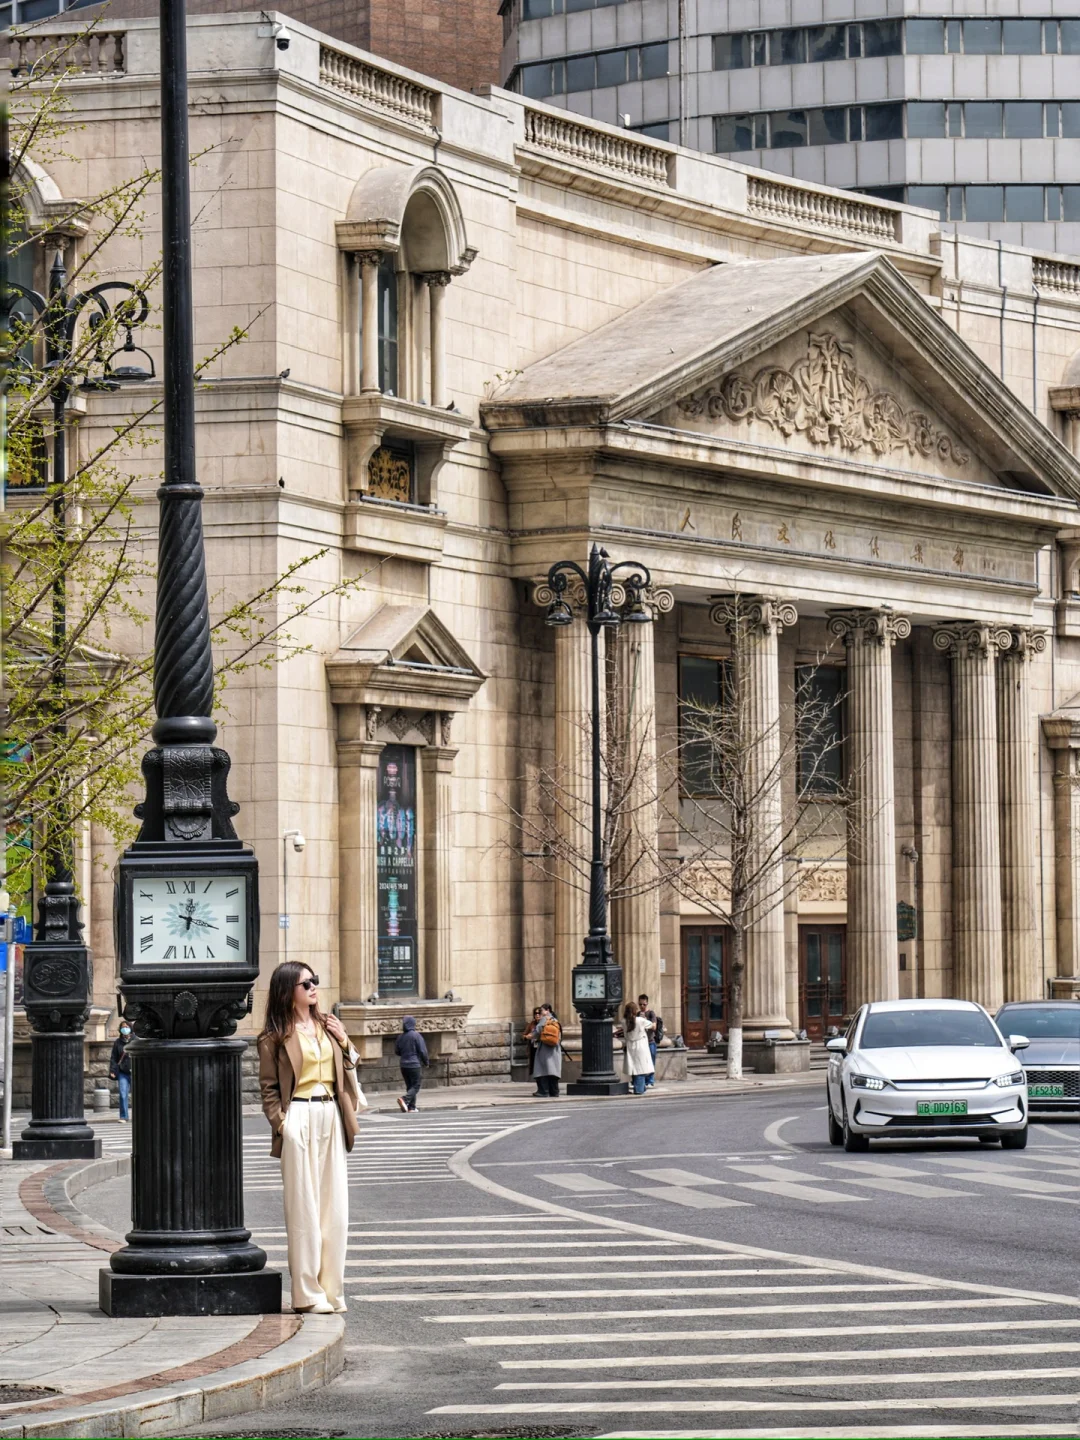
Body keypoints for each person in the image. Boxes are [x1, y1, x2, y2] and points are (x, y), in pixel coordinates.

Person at [258, 962, 360, 1315]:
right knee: (303, 1209)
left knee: (335, 1210)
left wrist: (344, 1039)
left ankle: (333, 1292)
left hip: (330, 1113)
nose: (315, 987)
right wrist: (283, 1124)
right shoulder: (274, 1036)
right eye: (307, 983)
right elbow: (268, 1088)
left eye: (315, 981)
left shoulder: (328, 1025)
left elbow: (350, 1066)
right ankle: (307, 1295)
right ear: (289, 991)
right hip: (298, 1116)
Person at [395, 1015, 429, 1112]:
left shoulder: (400, 1037)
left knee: (410, 1086)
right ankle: (404, 1099)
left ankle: (411, 1107)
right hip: (414, 1064)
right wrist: (426, 1062)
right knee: (416, 1085)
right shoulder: (416, 1036)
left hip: (403, 1065)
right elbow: (423, 1051)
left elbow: (397, 1051)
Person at [623, 1001, 655, 1095]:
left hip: (630, 1045)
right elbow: (653, 1025)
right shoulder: (640, 1020)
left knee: (634, 1068)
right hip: (640, 1046)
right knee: (641, 1068)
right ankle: (639, 1089)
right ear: (634, 1011)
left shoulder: (623, 1021)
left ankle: (639, 1087)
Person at [533, 1003, 562, 1097]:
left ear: (547, 1010)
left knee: (541, 1069)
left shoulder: (544, 1019)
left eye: (541, 1011)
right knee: (553, 1070)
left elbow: (537, 1032)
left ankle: (543, 1091)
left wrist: (529, 1037)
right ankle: (554, 1091)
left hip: (544, 1048)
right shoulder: (555, 1020)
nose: (540, 1013)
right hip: (555, 1049)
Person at [638, 994, 664, 1087]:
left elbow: (654, 1027)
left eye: (644, 1004)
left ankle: (650, 1081)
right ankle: (644, 1081)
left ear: (647, 1003)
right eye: (640, 1004)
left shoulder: (651, 1013)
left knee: (651, 1061)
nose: (642, 1006)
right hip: (641, 1042)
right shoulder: (638, 1014)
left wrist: (644, 1020)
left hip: (650, 1041)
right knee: (643, 1062)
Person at [109, 1020, 132, 1121]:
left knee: (139, 1096)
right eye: (123, 1027)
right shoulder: (118, 1042)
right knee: (123, 1094)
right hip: (123, 1072)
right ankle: (123, 1116)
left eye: (127, 1027)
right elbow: (114, 1058)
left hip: (135, 1071)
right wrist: (112, 1070)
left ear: (131, 1028)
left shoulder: (136, 1040)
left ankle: (140, 1115)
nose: (125, 1029)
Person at [523, 1007, 543, 1095]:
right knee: (535, 1069)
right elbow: (524, 1034)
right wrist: (526, 1037)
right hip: (533, 1048)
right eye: (536, 1014)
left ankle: (543, 1088)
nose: (537, 1015)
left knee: (542, 1069)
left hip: (542, 1048)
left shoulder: (544, 1024)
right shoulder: (532, 1024)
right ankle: (540, 1088)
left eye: (539, 1013)